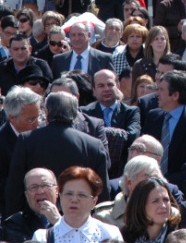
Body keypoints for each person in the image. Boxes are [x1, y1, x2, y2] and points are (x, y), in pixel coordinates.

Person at [5, 92, 110, 217]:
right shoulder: (93, 144)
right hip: (78, 216)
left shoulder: (27, 140)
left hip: (35, 217)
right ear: (75, 114)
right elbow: (102, 189)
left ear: (47, 113)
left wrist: (12, 221)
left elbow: (14, 187)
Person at [141, 70, 186, 185]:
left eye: (161, 89)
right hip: (147, 184)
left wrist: (164, 181)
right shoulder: (152, 117)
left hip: (178, 188)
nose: (157, 93)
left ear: (175, 95)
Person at [31, 166, 123, 242]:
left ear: (94, 201)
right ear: (61, 197)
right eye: (69, 194)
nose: (74, 200)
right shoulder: (42, 238)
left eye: (82, 195)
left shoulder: (110, 234)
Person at [80, 69, 142, 178]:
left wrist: (99, 133)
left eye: (110, 84)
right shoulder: (84, 112)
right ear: (94, 90)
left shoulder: (131, 112)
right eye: (101, 86)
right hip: (93, 170)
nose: (106, 89)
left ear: (117, 86)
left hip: (123, 171)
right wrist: (118, 137)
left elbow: (133, 136)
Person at [94, 155, 176, 228]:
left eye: (157, 179)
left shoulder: (172, 216)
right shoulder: (104, 217)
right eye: (148, 178)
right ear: (129, 182)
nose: (153, 184)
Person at [0, 86, 44, 216]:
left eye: (39, 117)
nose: (36, 124)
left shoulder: (40, 134)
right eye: (31, 119)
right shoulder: (2, 143)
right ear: (12, 118)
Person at [2, 168, 61, 242]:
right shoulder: (15, 223)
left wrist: (58, 222)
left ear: (56, 190)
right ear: (27, 195)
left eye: (45, 185)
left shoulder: (73, 216)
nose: (40, 191)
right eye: (34, 187)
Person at [120, 177, 180, 243]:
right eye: (155, 201)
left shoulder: (179, 236)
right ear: (140, 206)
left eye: (166, 200)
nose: (163, 206)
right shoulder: (123, 237)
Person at [51, 22, 115, 79]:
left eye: (80, 34)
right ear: (69, 37)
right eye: (73, 35)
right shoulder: (58, 60)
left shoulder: (104, 59)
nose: (76, 38)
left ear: (89, 35)